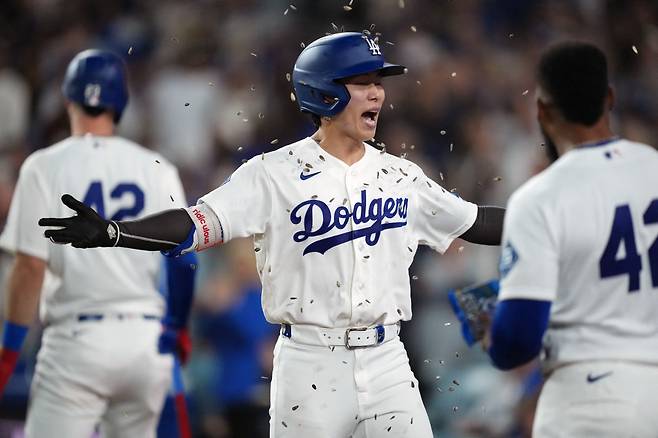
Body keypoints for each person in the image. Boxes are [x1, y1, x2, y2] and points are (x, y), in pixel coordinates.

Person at [39, 32, 505, 438]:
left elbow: (476, 221)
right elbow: (195, 223)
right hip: (309, 365)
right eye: (363, 83)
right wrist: (115, 231)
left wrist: (547, 217)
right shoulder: (271, 174)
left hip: (388, 360)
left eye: (378, 83)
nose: (377, 94)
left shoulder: (401, 176)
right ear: (325, 94)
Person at [0, 49, 196, 437]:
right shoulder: (158, 167)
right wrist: (179, 326)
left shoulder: (44, 164)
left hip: (77, 340)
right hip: (145, 340)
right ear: (121, 103)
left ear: (68, 98)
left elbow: (30, 267)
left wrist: (8, 353)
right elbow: (184, 260)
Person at [484, 41, 658, 437]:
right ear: (609, 98)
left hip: (590, 401)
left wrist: (490, 332)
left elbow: (518, 340)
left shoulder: (539, 197)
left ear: (542, 111)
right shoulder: (653, 165)